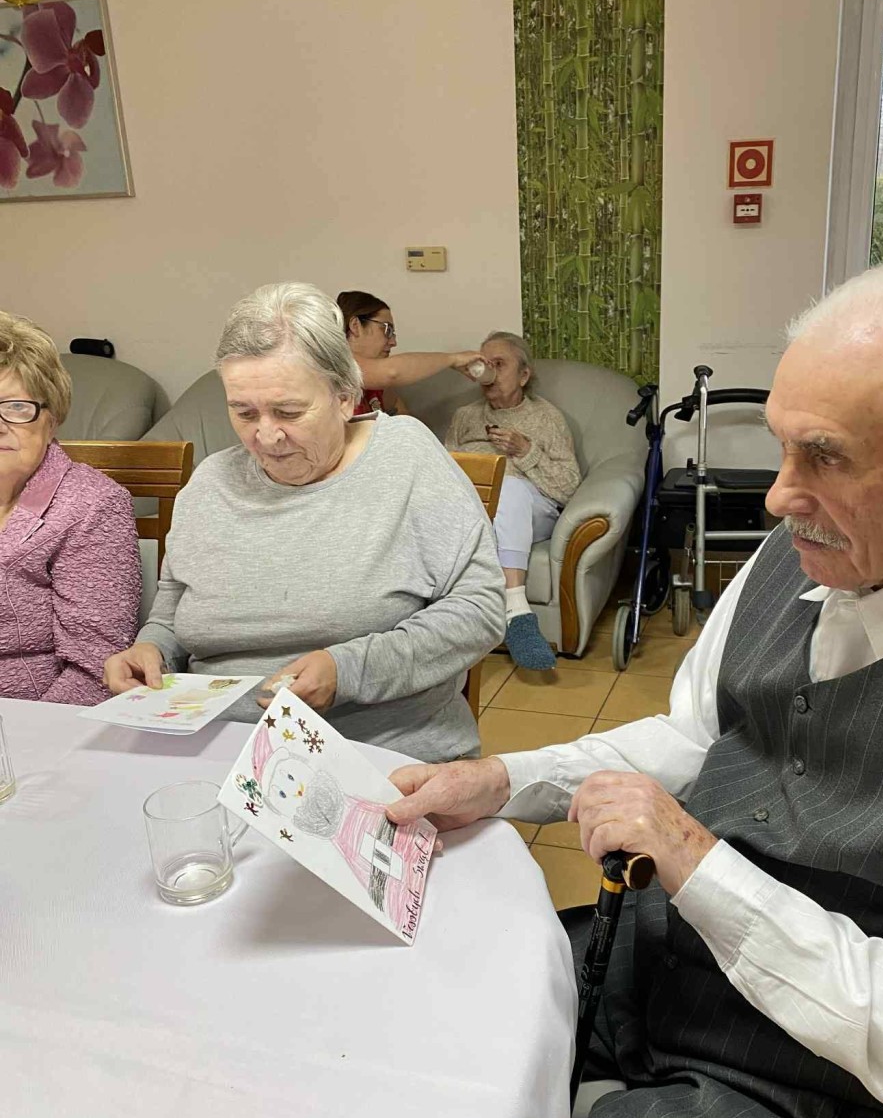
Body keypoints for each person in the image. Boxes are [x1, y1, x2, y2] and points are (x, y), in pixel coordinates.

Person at [385, 266, 883, 1118]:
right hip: (668, 965)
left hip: (825, 1107)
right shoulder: (802, 552)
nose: (778, 495)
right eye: (783, 445)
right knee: (404, 1066)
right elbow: (695, 735)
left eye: (826, 455)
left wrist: (693, 860)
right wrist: (504, 777)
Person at [104, 283, 505, 762]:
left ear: (345, 396)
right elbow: (172, 616)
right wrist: (151, 650)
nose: (266, 436)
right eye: (243, 412)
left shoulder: (406, 457)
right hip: (215, 749)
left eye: (289, 411)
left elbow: (480, 610)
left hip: (378, 752)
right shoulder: (210, 485)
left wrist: (348, 670)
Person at [0, 311, 139, 705]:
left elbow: (96, 669)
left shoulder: (92, 506)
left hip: (28, 721)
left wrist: (31, 734)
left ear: (53, 419)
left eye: (16, 407)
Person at [444, 332, 580, 671]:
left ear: (523, 375)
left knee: (510, 486)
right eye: (484, 364)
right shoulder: (465, 417)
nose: (489, 372)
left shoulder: (547, 417)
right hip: (476, 509)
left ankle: (516, 610)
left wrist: (525, 451)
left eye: (499, 365)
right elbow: (444, 474)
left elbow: (568, 487)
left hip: (533, 507)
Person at [336, 290, 487, 416]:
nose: (393, 342)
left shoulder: (376, 383)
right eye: (387, 329)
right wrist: (453, 359)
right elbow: (392, 372)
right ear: (355, 326)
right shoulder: (337, 364)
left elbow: (399, 408)